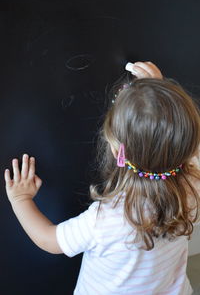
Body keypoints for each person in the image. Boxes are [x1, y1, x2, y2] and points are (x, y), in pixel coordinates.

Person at [4, 61, 200, 295]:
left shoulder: (108, 219)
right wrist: (159, 96)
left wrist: (20, 199)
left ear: (118, 152)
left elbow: (50, 241)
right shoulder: (194, 182)